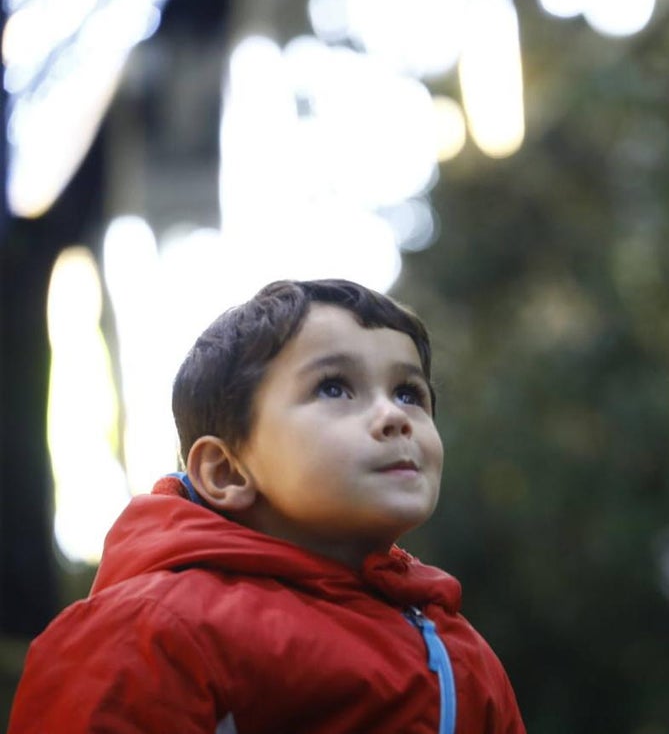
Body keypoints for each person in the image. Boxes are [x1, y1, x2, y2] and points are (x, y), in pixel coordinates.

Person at [8, 278, 525, 734]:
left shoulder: (461, 652)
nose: (394, 416)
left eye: (409, 393)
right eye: (334, 387)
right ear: (227, 471)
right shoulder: (149, 632)